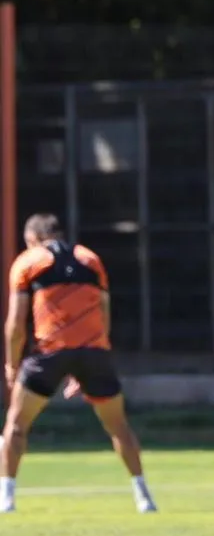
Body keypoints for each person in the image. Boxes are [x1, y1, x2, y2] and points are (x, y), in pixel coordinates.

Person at [1, 213, 157, 514]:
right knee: (118, 427)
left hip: (49, 353)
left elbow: (16, 323)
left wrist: (11, 364)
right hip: (93, 351)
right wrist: (95, 352)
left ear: (32, 238)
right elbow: (104, 312)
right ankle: (144, 497)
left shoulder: (28, 261)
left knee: (16, 427)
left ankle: (5, 499)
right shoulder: (90, 259)